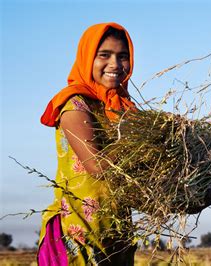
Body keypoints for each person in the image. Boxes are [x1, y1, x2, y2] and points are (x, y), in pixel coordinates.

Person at [38, 22, 137, 265]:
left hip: (116, 236)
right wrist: (146, 142)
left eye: (122, 56)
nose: (115, 64)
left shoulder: (122, 109)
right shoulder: (74, 104)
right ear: (87, 57)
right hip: (77, 237)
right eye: (104, 55)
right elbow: (97, 165)